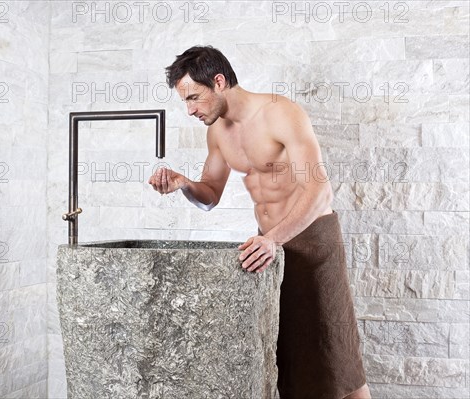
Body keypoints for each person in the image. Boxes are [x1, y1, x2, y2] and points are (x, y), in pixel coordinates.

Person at [148, 45, 371, 399]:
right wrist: (184, 184)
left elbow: (319, 191)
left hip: (313, 241)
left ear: (218, 82)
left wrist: (275, 239)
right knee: (288, 360)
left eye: (194, 97)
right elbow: (210, 195)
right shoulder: (217, 132)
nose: (189, 109)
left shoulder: (280, 113)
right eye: (184, 101)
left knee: (338, 361)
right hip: (270, 247)